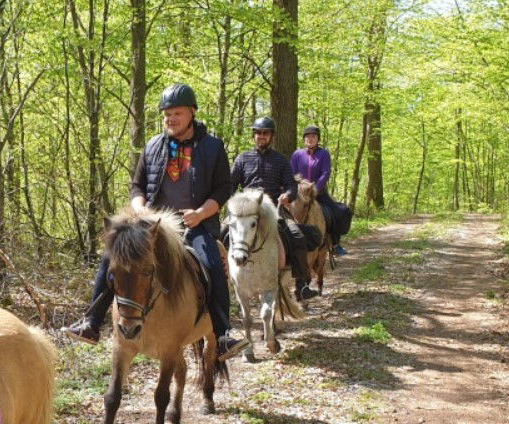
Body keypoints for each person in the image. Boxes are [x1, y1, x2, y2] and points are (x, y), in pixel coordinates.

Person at [63, 83, 250, 361]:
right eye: (166, 114)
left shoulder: (212, 147)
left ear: (192, 113)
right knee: (112, 255)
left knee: (211, 261)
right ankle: (92, 322)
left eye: (176, 113)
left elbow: (223, 189)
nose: (170, 119)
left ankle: (223, 333)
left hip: (195, 224)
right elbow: (137, 185)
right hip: (154, 226)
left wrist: (200, 213)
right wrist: (141, 210)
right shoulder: (153, 145)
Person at [230, 116, 319, 300]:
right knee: (222, 234)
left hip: (275, 210)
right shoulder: (242, 158)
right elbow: (230, 186)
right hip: (247, 212)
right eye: (258, 133)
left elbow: (291, 186)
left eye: (265, 133)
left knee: (297, 236)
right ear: (254, 135)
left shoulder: (281, 160)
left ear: (271, 136)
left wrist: (288, 195)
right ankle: (226, 283)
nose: (261, 136)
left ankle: (301, 284)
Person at [291, 125, 350, 256]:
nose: (310, 139)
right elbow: (292, 173)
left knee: (336, 213)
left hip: (319, 192)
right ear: (304, 139)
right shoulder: (297, 154)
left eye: (313, 136)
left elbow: (325, 172)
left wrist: (316, 189)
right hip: (300, 194)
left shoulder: (324, 154)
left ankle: (335, 244)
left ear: (318, 139)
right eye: (307, 137)